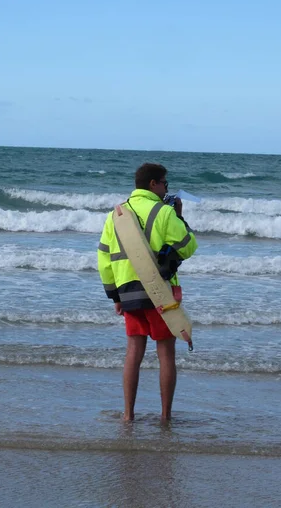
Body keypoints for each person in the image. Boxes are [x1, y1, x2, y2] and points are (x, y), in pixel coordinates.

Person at [98, 163, 197, 422]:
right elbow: (188, 246)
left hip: (128, 294)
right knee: (166, 354)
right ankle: (165, 416)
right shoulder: (164, 212)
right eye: (165, 182)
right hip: (159, 293)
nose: (167, 187)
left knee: (133, 352)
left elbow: (104, 259)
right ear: (153, 184)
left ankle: (128, 415)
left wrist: (115, 296)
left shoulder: (115, 214)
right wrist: (179, 215)